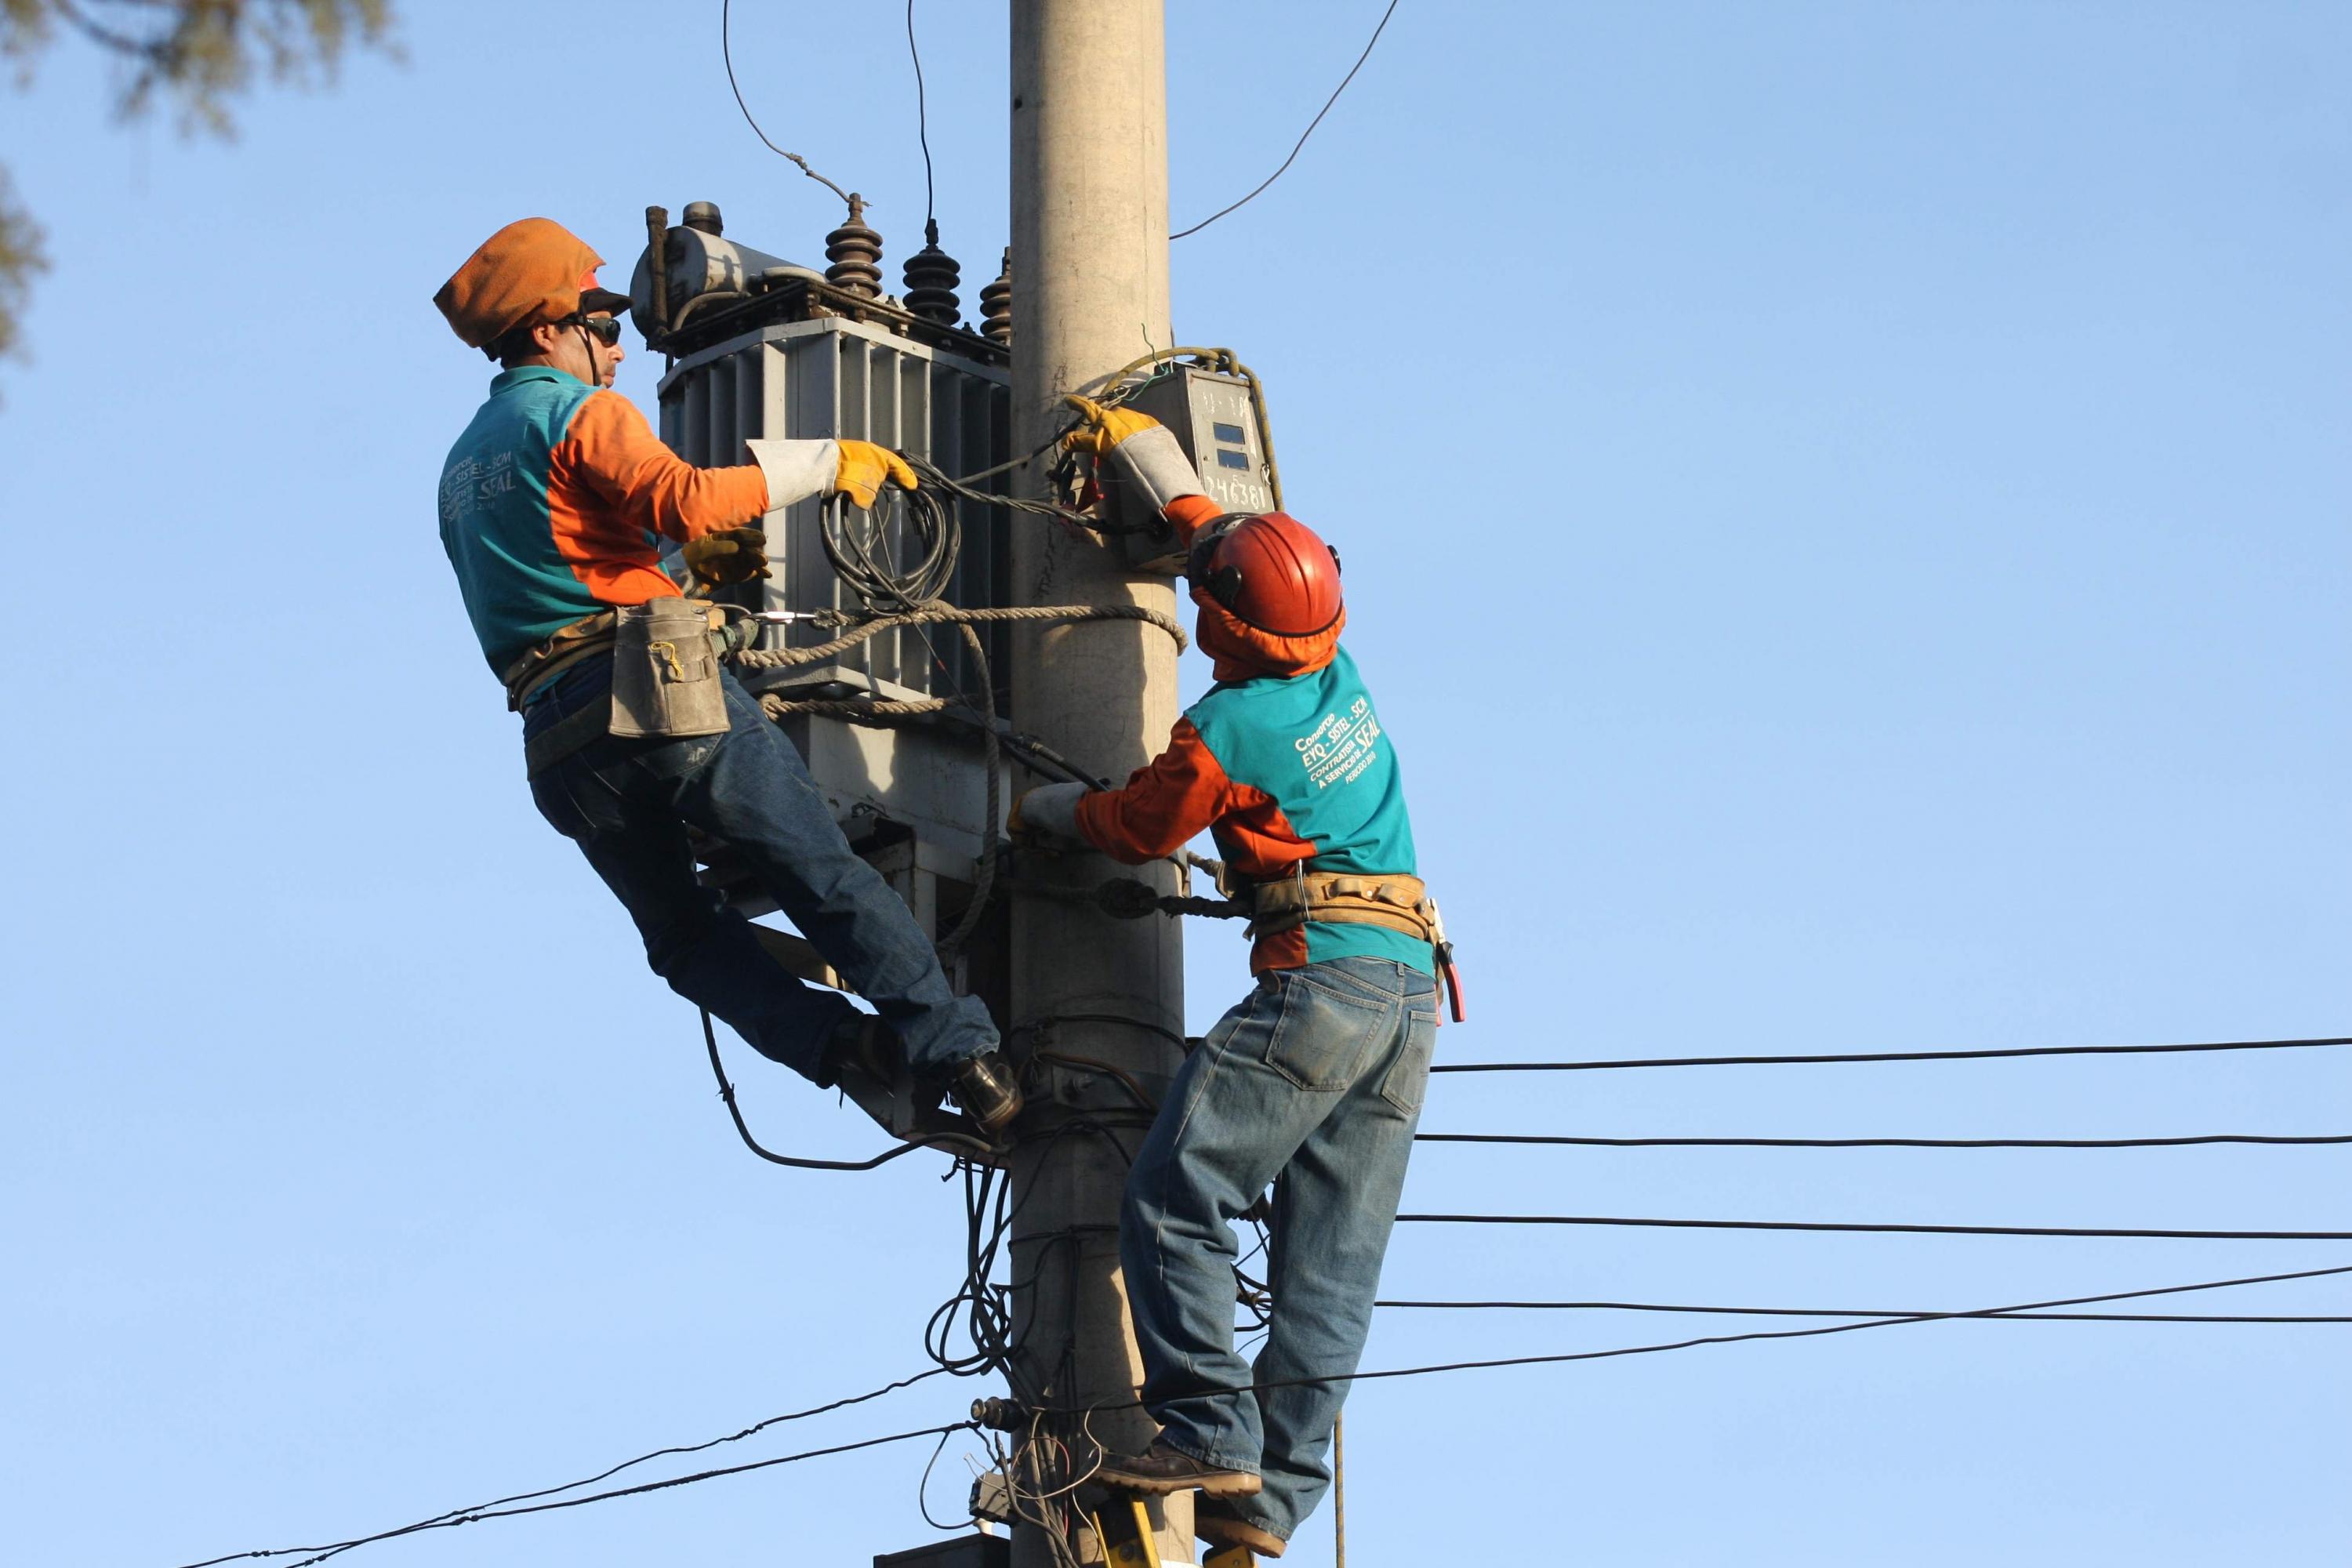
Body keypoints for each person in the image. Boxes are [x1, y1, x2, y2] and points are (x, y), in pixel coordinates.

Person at [433, 216, 1021, 1136]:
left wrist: (709, 597)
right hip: (661, 697)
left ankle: (844, 1051)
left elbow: (580, 564)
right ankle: (964, 1057)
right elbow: (687, 500)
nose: (620, 351)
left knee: (685, 939)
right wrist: (830, 459)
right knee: (815, 868)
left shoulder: (463, 464)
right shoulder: (576, 411)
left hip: (560, 743)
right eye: (603, 323)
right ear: (549, 328)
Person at [1011, 397, 1454, 1559]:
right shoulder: (1336, 661)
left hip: (1324, 984)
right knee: (1332, 1266)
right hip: (1411, 994)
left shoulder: (1226, 732)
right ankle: (1261, 1515)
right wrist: (1161, 475)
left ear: (1218, 626)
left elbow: (1136, 827)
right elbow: (1237, 548)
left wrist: (1048, 811)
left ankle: (1211, 1428)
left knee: (1176, 1192)